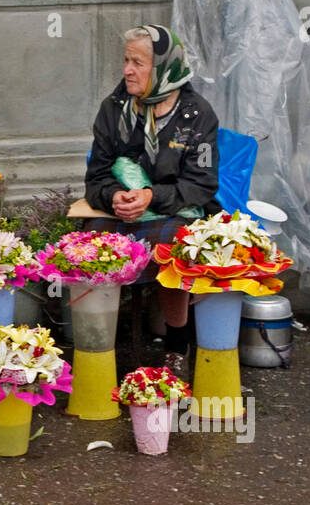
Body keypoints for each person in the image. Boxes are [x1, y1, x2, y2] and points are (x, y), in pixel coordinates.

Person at [84, 25, 219, 372]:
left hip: (176, 208)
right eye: (126, 60)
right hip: (124, 210)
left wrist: (150, 196)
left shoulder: (196, 113)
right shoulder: (114, 109)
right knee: (88, 245)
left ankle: (176, 344)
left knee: (174, 247)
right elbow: (96, 176)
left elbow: (201, 185)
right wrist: (115, 196)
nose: (127, 70)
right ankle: (96, 346)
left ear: (163, 68)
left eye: (138, 63)